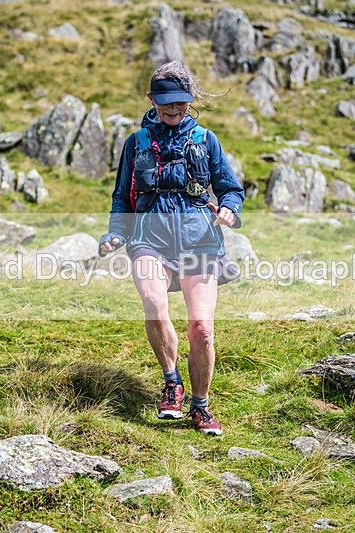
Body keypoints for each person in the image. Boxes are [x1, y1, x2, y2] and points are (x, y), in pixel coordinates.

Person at [99, 60, 245, 436]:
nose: (175, 109)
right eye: (166, 102)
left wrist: (229, 208)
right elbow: (122, 197)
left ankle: (201, 405)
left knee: (202, 329)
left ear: (190, 98)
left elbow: (230, 188)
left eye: (181, 102)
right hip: (149, 237)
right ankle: (171, 382)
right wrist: (116, 233)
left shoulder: (206, 140)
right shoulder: (137, 143)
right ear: (151, 99)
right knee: (153, 301)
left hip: (199, 240)